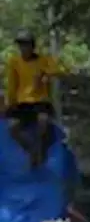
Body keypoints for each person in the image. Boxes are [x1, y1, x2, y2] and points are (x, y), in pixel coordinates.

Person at [4, 29, 67, 168]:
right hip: (23, 102)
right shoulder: (15, 62)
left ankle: (40, 150)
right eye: (20, 45)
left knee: (43, 121)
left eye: (25, 45)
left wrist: (46, 74)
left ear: (32, 46)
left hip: (40, 100)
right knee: (12, 128)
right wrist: (11, 103)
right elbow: (12, 85)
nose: (23, 49)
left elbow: (59, 70)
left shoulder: (43, 60)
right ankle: (32, 150)